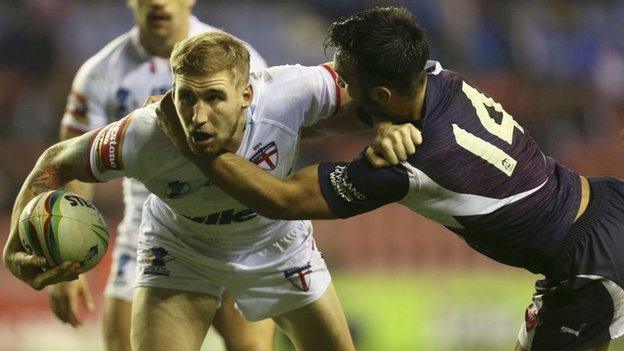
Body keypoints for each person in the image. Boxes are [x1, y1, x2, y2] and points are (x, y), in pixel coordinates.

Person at [156, 7, 624, 351]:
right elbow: (368, 111)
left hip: (588, 263)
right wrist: (380, 121)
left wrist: (195, 146)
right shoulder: (441, 79)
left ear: (381, 92)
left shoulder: (407, 164)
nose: (337, 88)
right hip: (603, 201)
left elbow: (281, 199)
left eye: (346, 80)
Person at [0, 30, 414, 351]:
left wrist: (387, 120)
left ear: (247, 94)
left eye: (214, 97)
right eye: (186, 98)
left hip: (277, 247)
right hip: (181, 251)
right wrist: (15, 247)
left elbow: (370, 82)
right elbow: (55, 163)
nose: (197, 117)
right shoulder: (144, 134)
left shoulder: (289, 92)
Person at [53, 1, 274, 350]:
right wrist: (66, 258)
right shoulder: (100, 73)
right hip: (147, 231)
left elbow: (266, 140)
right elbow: (74, 166)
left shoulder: (238, 60)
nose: (158, 2)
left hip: (228, 225)